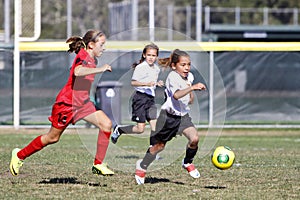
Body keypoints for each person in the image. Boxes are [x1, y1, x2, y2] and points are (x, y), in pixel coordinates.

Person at [10, 30, 115, 176]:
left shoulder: (93, 59)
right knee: (52, 138)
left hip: (83, 104)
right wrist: (100, 69)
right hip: (67, 104)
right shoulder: (83, 55)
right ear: (91, 45)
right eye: (102, 44)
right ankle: (19, 155)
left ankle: (98, 164)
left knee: (106, 124)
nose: (104, 48)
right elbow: (77, 72)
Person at [134, 49, 206, 185]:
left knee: (194, 139)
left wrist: (191, 92)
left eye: (188, 65)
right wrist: (192, 88)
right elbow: (176, 95)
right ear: (174, 66)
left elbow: (188, 100)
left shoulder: (189, 77)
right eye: (183, 65)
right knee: (159, 146)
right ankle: (142, 166)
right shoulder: (172, 77)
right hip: (168, 118)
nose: (187, 68)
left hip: (183, 117)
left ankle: (187, 162)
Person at [110, 43, 164, 144]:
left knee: (155, 127)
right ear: (144, 55)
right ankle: (119, 130)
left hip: (150, 100)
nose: (151, 58)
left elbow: (152, 83)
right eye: (149, 55)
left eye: (153, 55)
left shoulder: (156, 69)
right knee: (140, 129)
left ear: (156, 56)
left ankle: (152, 151)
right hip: (140, 99)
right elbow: (133, 82)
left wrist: (158, 83)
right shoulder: (141, 67)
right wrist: (147, 84)